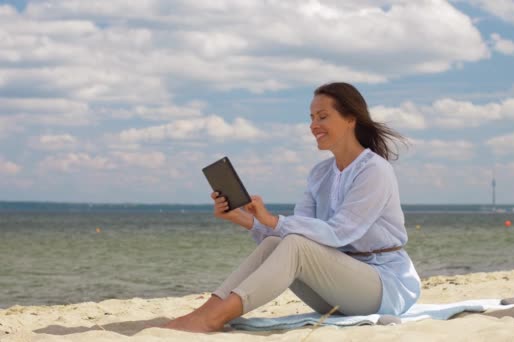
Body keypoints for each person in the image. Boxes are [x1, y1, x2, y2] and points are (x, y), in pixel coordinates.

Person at [162, 82, 421, 333]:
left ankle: (213, 319)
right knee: (276, 244)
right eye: (311, 118)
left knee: (294, 244)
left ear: (351, 119)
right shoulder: (320, 173)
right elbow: (292, 235)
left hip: (384, 288)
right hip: (337, 290)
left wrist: (273, 220)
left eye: (322, 117)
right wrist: (242, 219)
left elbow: (340, 233)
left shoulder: (374, 170)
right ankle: (202, 314)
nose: (313, 125)